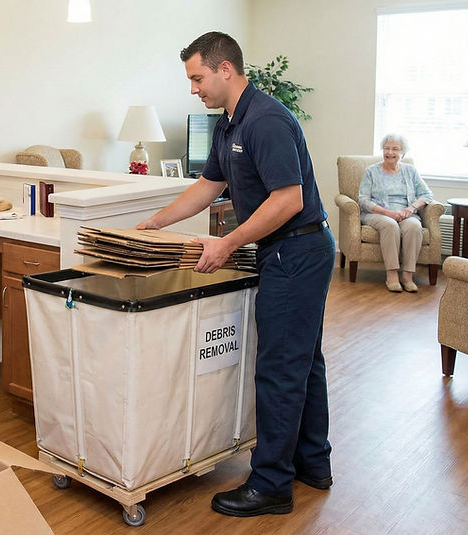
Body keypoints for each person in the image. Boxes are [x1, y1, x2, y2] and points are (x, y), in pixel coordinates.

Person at [136, 32, 335, 517]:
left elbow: (287, 200)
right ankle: (312, 463)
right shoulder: (228, 124)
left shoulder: (265, 121)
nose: (193, 88)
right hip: (288, 251)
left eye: (197, 77)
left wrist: (227, 242)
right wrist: (156, 222)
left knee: (280, 369)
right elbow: (208, 185)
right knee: (304, 361)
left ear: (226, 70)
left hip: (296, 251)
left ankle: (270, 484)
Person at [358, 134, 433, 293]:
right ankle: (391, 275)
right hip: (378, 213)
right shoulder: (371, 172)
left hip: (405, 213)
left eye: (395, 149)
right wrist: (387, 212)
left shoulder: (410, 171)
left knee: (414, 226)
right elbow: (363, 200)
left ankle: (407, 276)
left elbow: (427, 194)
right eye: (386, 148)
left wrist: (410, 209)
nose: (390, 152)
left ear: (403, 153)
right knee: (390, 225)